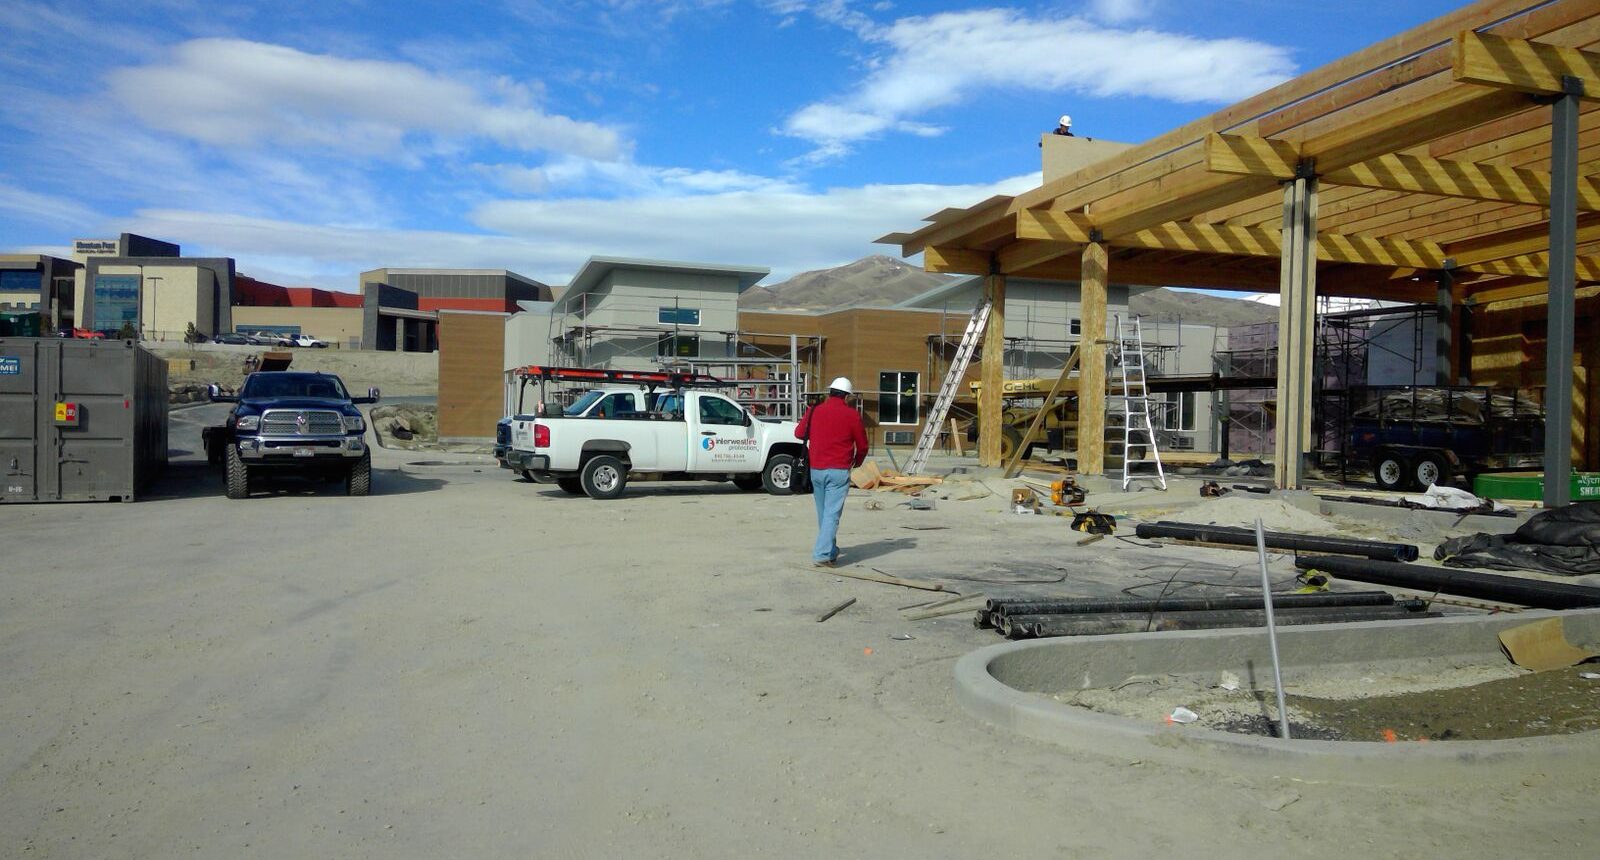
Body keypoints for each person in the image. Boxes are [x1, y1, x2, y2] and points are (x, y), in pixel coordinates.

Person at [795, 377, 868, 567]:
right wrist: (857, 462)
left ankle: (831, 549)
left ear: (830, 392)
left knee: (824, 513)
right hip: (839, 470)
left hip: (816, 469)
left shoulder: (814, 411)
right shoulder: (852, 415)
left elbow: (799, 433)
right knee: (832, 514)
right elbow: (862, 446)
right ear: (847, 396)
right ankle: (821, 554)